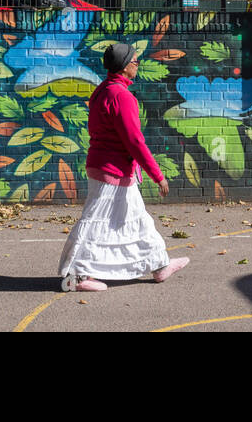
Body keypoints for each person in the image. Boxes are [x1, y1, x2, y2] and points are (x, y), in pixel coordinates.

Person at [58, 41, 190, 291]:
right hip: (113, 170)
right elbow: (135, 141)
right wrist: (157, 175)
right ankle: (77, 276)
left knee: (137, 219)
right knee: (96, 221)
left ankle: (159, 265)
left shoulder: (102, 91)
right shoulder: (122, 96)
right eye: (134, 60)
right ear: (125, 66)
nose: (138, 64)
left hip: (108, 166)